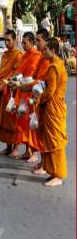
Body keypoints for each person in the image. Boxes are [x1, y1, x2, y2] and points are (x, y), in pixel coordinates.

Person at [33, 38, 68, 187]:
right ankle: (53, 172)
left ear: (53, 50)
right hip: (54, 106)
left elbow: (50, 91)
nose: (43, 51)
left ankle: (58, 175)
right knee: (50, 139)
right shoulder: (58, 64)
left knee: (55, 141)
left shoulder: (54, 67)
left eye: (46, 49)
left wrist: (38, 99)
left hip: (53, 107)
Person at [19, 28, 50, 165]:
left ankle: (43, 161)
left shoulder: (47, 59)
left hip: (43, 97)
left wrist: (26, 84)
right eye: (36, 40)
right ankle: (33, 154)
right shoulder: (41, 57)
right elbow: (36, 77)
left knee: (42, 130)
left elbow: (42, 80)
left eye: (39, 40)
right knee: (30, 125)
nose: (37, 43)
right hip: (32, 92)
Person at [8, 32, 41, 158]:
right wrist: (13, 80)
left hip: (30, 92)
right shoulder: (26, 55)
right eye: (22, 42)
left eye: (25, 43)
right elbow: (19, 71)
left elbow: (32, 76)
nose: (23, 45)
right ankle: (28, 151)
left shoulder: (36, 56)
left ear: (32, 42)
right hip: (22, 91)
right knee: (23, 123)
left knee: (31, 123)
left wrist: (19, 82)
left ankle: (34, 153)